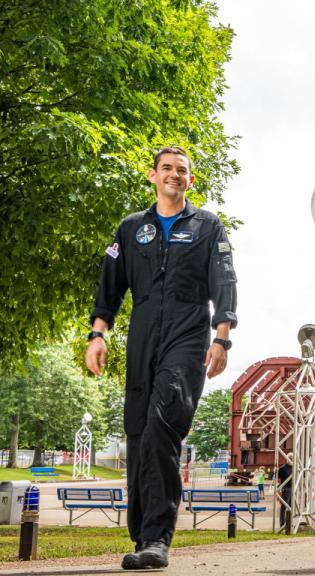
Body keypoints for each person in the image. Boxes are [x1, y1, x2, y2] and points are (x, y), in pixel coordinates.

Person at [85, 146, 237, 570]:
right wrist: (98, 335)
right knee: (137, 430)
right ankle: (142, 538)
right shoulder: (131, 228)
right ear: (152, 176)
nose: (174, 175)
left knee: (161, 423)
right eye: (167, 168)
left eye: (182, 170)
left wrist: (222, 338)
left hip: (188, 332)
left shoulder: (207, 226)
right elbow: (109, 286)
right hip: (142, 332)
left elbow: (224, 281)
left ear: (190, 179)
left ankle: (157, 538)